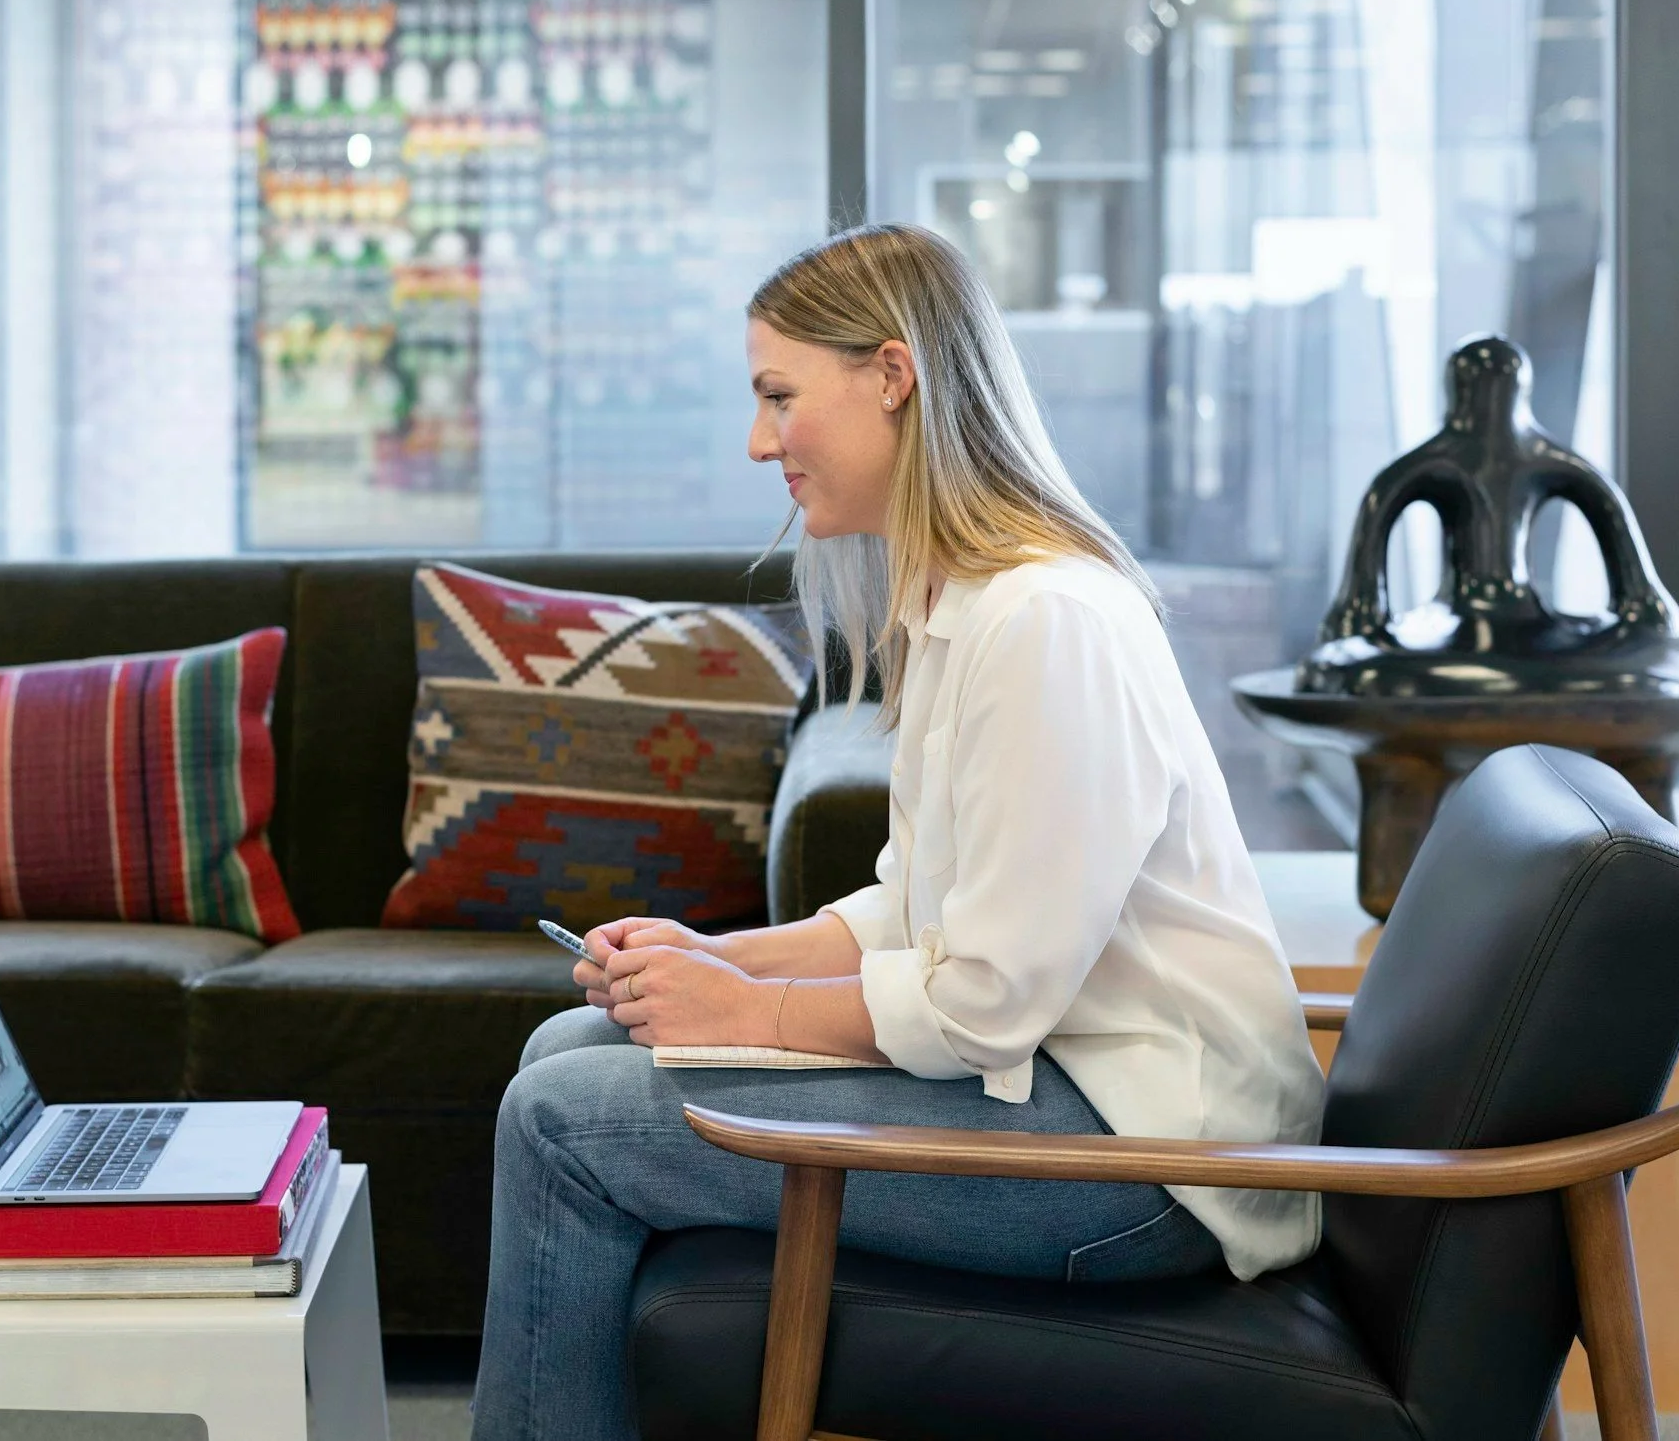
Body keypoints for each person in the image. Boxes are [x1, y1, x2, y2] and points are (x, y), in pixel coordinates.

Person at [467, 223, 1326, 1441]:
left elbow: (982, 999)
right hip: (1069, 1095)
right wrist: (714, 957)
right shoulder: (961, 601)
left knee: (558, 1121)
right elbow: (912, 906)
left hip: (1154, 1166)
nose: (759, 441)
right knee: (567, 1043)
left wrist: (739, 1012)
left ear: (891, 373)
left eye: (777, 397)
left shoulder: (1045, 622)